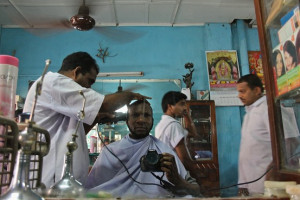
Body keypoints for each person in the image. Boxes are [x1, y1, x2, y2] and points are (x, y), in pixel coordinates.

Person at [23, 52, 150, 189]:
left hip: (63, 185)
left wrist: (97, 118)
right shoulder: (54, 82)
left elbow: (75, 135)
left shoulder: (64, 100)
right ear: (76, 72)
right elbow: (104, 104)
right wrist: (129, 95)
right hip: (49, 183)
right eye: (89, 81)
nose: (89, 88)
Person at [85, 100, 202, 198]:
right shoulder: (110, 152)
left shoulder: (164, 151)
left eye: (146, 115)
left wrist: (178, 181)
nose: (141, 120)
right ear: (127, 120)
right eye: (135, 115)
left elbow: (195, 190)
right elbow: (90, 191)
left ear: (152, 121)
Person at [236, 74, 272, 196]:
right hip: (251, 183)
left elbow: (289, 140)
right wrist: (242, 184)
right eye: (239, 92)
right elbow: (246, 152)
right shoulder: (249, 113)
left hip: (268, 182)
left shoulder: (268, 109)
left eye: (243, 91)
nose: (239, 96)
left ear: (256, 90)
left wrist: (275, 168)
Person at [155, 91, 197, 175]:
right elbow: (184, 158)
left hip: (167, 172)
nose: (185, 108)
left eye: (185, 104)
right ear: (170, 106)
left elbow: (192, 133)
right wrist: (195, 175)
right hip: (177, 173)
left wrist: (186, 115)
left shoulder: (161, 124)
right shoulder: (173, 125)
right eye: (182, 104)